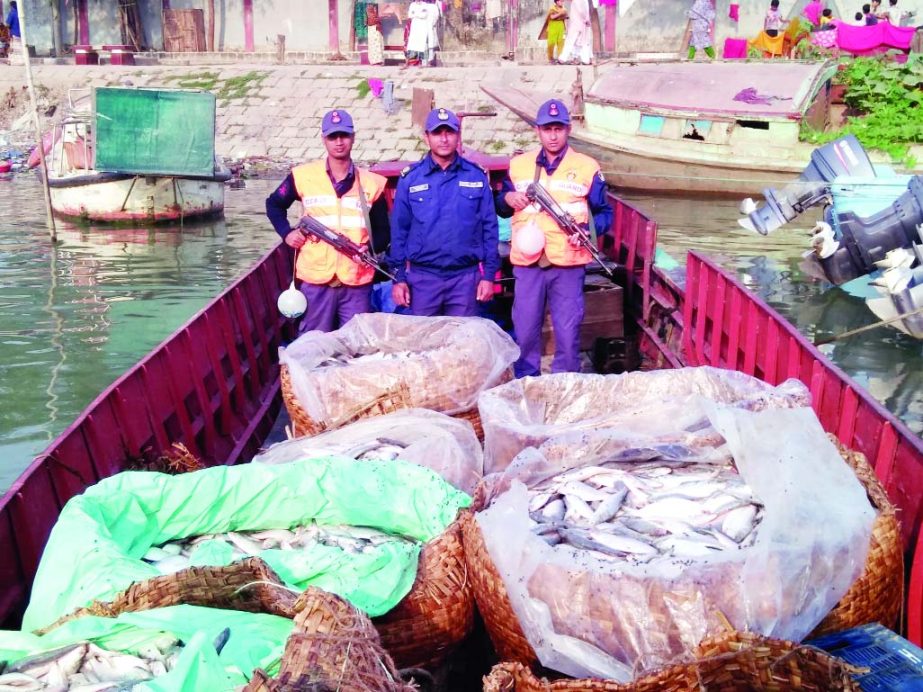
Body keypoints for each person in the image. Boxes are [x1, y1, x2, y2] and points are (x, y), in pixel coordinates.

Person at [495, 99, 613, 377]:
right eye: (547, 128)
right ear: (538, 130)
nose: (553, 134)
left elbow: (605, 212)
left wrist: (587, 232)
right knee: (525, 329)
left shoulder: (588, 166)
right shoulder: (518, 165)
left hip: (568, 264)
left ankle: (566, 382)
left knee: (568, 330)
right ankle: (527, 381)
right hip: (528, 264)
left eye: (558, 128)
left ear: (568, 129)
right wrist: (508, 197)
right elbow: (499, 203)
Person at [265, 109, 390, 334]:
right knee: (313, 342)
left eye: (344, 135)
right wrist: (287, 233)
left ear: (353, 137)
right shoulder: (302, 176)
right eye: (333, 137)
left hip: (356, 282)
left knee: (356, 344)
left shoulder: (373, 184)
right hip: (315, 281)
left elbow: (383, 232)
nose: (339, 142)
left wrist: (368, 248)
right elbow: (274, 205)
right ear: (324, 139)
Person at [389, 107, 499, 317]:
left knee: (463, 343)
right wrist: (399, 279)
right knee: (423, 344)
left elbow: (489, 229)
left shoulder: (476, 176)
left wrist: (489, 276)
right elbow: (399, 233)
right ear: (426, 137)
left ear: (458, 136)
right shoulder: (410, 179)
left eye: (449, 132)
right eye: (437, 133)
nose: (444, 139)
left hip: (465, 281)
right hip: (423, 281)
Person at [558, 0, 593, 65]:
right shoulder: (580, 1)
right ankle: (585, 60)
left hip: (578, 23)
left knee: (572, 41)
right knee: (581, 41)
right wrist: (587, 20)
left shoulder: (578, 1)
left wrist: (586, 19)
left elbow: (583, 11)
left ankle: (564, 58)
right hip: (580, 23)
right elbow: (584, 11)